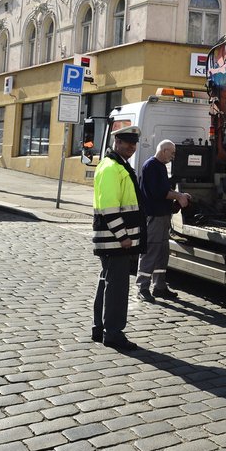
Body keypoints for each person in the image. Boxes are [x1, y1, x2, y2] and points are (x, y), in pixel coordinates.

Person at [92, 125, 146, 351]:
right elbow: (110, 208)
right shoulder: (112, 168)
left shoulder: (117, 165)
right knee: (116, 289)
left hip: (114, 240)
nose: (132, 147)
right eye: (127, 143)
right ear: (117, 142)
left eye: (134, 143)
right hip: (115, 241)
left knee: (107, 283)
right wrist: (123, 236)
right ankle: (113, 333)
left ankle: (100, 328)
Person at [137, 139, 190, 302]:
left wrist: (177, 199)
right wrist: (178, 196)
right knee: (151, 251)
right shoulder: (151, 166)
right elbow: (158, 192)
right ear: (164, 150)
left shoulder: (159, 166)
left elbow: (165, 190)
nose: (173, 157)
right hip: (154, 216)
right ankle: (142, 287)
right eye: (172, 153)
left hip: (163, 216)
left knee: (162, 253)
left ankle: (159, 286)